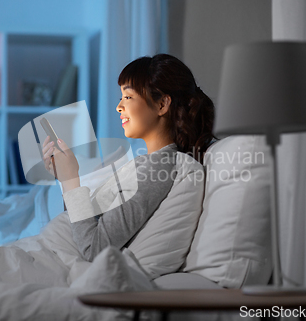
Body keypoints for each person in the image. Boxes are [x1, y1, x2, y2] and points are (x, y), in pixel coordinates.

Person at [41, 53, 216, 262]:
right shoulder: (146, 163)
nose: (119, 107)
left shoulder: (156, 171)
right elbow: (82, 227)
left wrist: (71, 180)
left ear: (162, 105)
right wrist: (64, 178)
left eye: (128, 97)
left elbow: (93, 248)